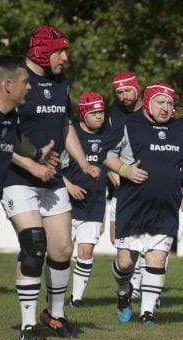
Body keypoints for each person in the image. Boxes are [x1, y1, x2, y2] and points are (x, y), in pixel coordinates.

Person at [2, 26, 101, 340]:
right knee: (34, 243)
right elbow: (0, 134)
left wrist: (83, 161)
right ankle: (28, 323)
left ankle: (54, 315)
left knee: (62, 248)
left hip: (52, 179)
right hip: (17, 176)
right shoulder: (15, 81)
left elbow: (66, 124)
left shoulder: (61, 83)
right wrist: (30, 162)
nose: (65, 57)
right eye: (60, 51)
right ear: (42, 52)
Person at [0, 53, 59, 340]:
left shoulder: (7, 117)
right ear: (7, 85)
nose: (29, 87)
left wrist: (36, 155)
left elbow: (14, 139)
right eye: (24, 82)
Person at [103, 82, 183, 325]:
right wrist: (125, 170)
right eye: (160, 102)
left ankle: (147, 313)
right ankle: (123, 294)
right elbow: (106, 153)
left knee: (157, 258)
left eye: (170, 104)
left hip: (165, 206)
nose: (165, 108)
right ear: (149, 102)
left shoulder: (177, 128)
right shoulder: (129, 125)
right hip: (132, 205)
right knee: (125, 263)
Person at [62, 92, 118, 307]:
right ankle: (55, 296)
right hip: (65, 204)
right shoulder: (69, 133)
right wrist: (70, 186)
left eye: (101, 112)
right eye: (94, 113)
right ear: (83, 113)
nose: (99, 117)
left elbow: (112, 165)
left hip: (94, 205)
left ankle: (76, 299)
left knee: (86, 251)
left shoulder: (109, 135)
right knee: (62, 252)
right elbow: (54, 166)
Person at [108, 71, 144, 298]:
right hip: (124, 186)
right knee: (118, 243)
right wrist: (120, 180)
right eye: (119, 92)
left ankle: (146, 293)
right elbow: (107, 154)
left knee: (153, 244)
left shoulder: (155, 109)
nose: (123, 96)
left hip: (153, 188)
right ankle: (129, 285)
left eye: (127, 89)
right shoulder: (114, 116)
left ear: (137, 88)